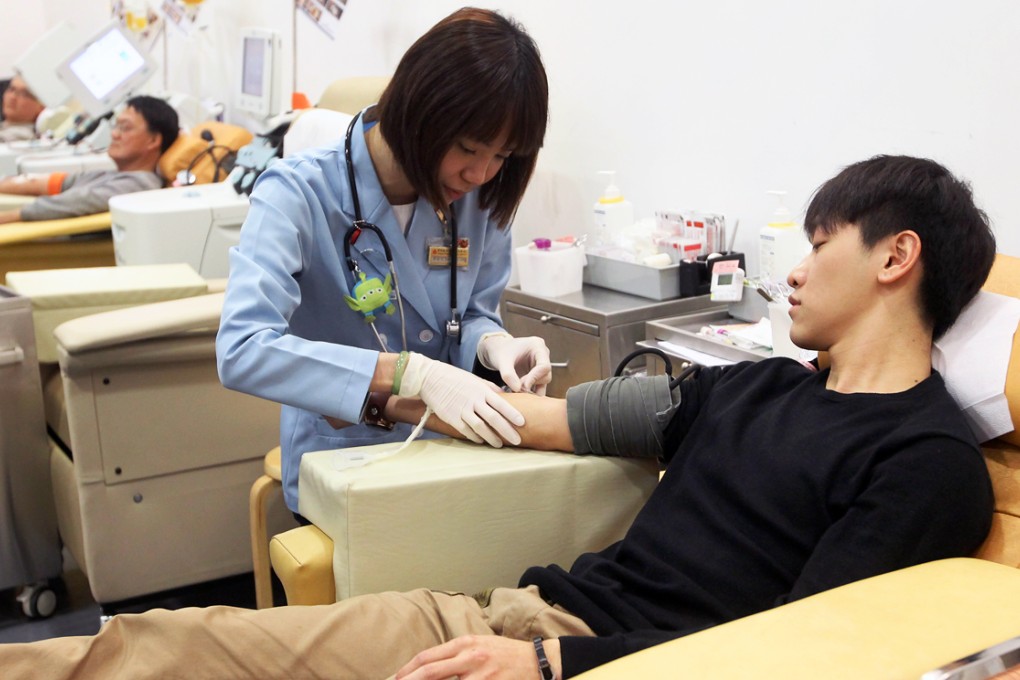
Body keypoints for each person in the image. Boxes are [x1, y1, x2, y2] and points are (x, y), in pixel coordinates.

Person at [0, 154, 998, 679]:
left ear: (894, 257)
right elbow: (546, 420)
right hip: (499, 620)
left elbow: (796, 658)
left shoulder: (924, 462)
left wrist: (553, 664)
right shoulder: (754, 384)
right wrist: (429, 379)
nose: (792, 264)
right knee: (167, 647)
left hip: (582, 660)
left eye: (819, 239)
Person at [216, 7, 554, 515]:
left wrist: (496, 344)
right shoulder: (298, 194)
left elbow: (470, 312)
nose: (481, 172)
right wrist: (406, 374)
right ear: (417, 109)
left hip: (453, 457)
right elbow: (242, 349)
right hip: (344, 464)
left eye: (503, 156)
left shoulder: (481, 200)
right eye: (467, 147)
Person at [0, 95, 178, 224]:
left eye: (125, 128)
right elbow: (56, 182)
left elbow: (77, 201)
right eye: (116, 126)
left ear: (153, 140)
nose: (114, 134)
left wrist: (9, 217)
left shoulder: (139, 185)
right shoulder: (111, 175)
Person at [0, 75, 45, 143]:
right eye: (11, 89)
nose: (13, 97)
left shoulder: (22, 137)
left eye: (24, 94)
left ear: (41, 107)